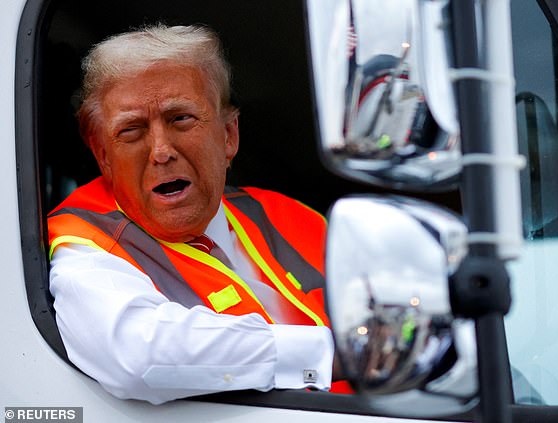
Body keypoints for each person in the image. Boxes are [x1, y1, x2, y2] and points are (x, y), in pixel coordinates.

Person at [47, 24, 341, 404]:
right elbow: (141, 356)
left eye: (180, 119)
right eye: (132, 130)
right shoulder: (81, 241)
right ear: (102, 154)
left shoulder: (290, 215)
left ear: (228, 135)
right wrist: (329, 355)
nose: (160, 151)